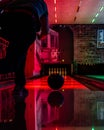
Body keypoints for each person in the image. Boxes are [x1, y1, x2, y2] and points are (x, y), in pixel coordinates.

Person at [0, 0, 49, 97]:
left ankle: (20, 85)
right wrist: (40, 36)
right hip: (26, 21)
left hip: (7, 20)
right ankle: (20, 85)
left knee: (19, 53)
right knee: (14, 62)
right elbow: (45, 31)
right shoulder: (42, 3)